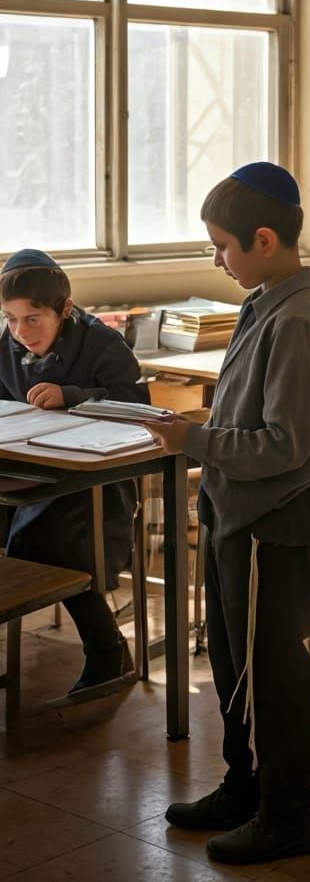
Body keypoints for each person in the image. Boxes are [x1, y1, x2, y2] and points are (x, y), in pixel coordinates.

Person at [148, 162, 310, 865]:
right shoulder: (264, 302)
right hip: (238, 518)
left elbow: (287, 446)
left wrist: (195, 438)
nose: (217, 259)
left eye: (222, 246)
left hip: (273, 526)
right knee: (233, 665)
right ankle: (245, 786)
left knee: (276, 678)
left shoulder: (296, 320)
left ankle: (289, 817)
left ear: (264, 239)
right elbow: (253, 418)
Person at [0, 249, 147, 695]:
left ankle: (108, 651)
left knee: (50, 542)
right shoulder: (6, 343)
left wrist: (74, 395)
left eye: (33, 319)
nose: (21, 332)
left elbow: (139, 406)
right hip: (23, 471)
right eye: (9, 319)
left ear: (65, 310)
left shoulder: (101, 342)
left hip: (94, 479)